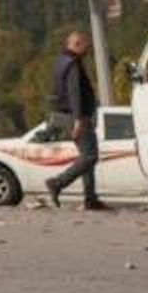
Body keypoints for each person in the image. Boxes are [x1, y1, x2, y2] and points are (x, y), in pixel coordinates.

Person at [44, 31, 104, 210]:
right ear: (77, 44)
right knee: (90, 156)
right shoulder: (72, 64)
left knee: (87, 155)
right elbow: (74, 93)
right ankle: (57, 183)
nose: (88, 49)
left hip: (66, 115)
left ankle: (90, 199)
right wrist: (79, 119)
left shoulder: (61, 62)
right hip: (76, 116)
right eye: (86, 45)